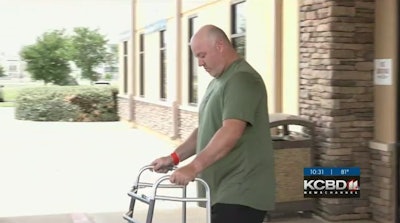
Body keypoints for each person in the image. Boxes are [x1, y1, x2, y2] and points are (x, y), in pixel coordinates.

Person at [150, 24, 275, 223]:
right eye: (197, 57)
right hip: (223, 191)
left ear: (220, 46)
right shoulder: (220, 81)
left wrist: (194, 167)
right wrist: (174, 158)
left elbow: (230, 132)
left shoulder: (241, 79)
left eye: (202, 55)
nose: (200, 63)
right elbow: (206, 130)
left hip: (241, 191)